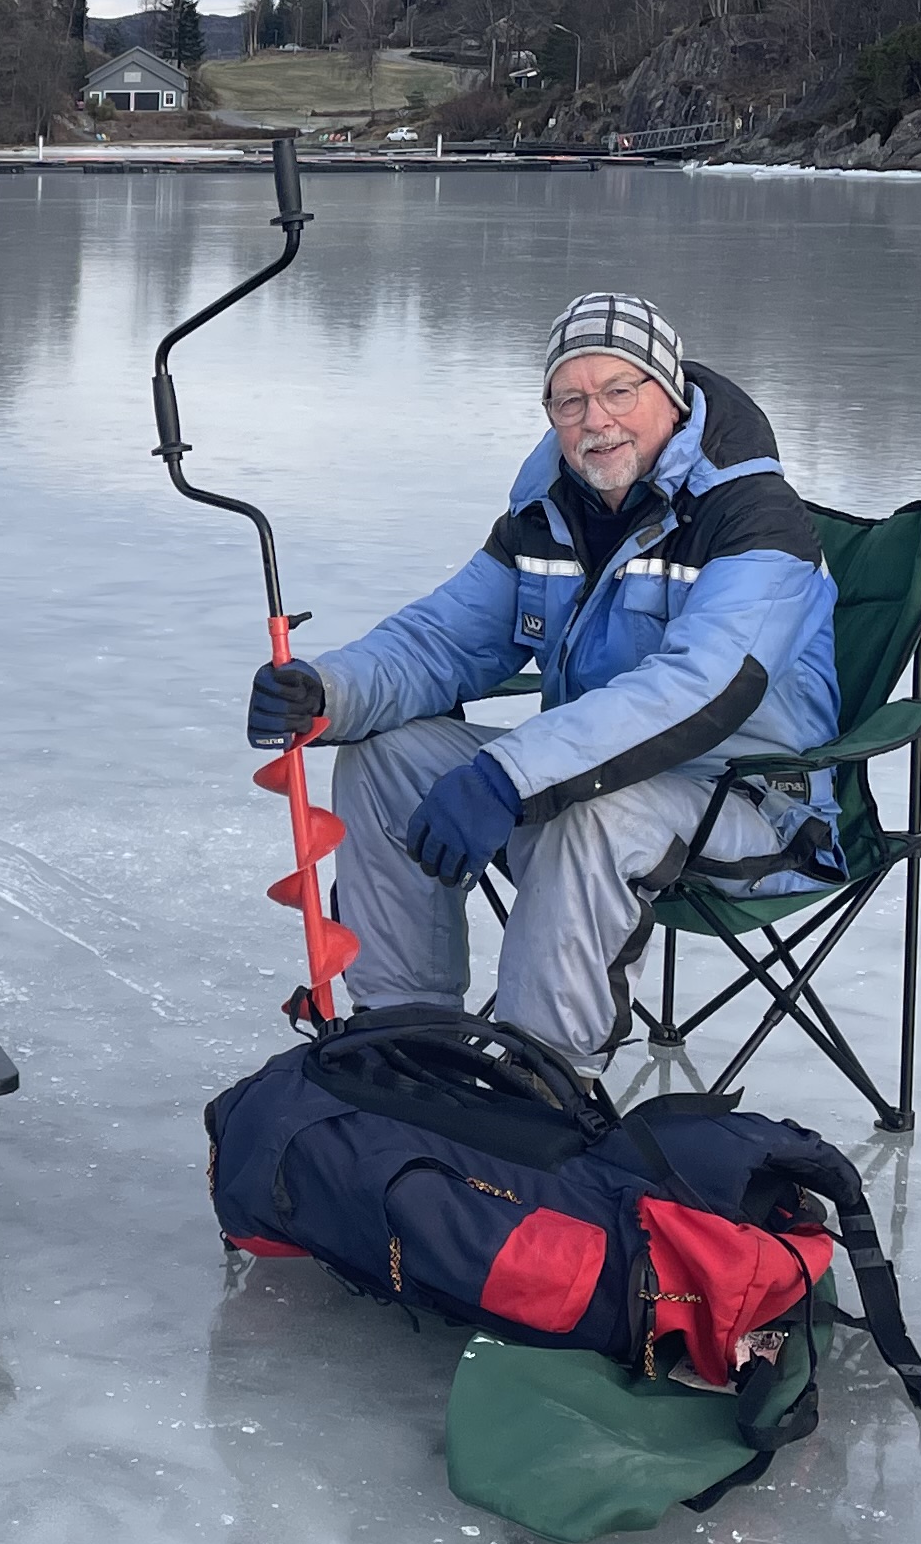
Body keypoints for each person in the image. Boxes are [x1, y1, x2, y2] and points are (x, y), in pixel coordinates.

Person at [245, 292, 838, 1069]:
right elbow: (444, 640)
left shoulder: (756, 518)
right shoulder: (550, 510)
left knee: (585, 816)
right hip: (585, 776)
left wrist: (511, 774)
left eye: (620, 391)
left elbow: (701, 687)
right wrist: (328, 690)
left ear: (671, 392)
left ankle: (543, 1083)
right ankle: (404, 1041)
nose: (596, 420)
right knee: (387, 756)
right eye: (570, 399)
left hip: (755, 805)